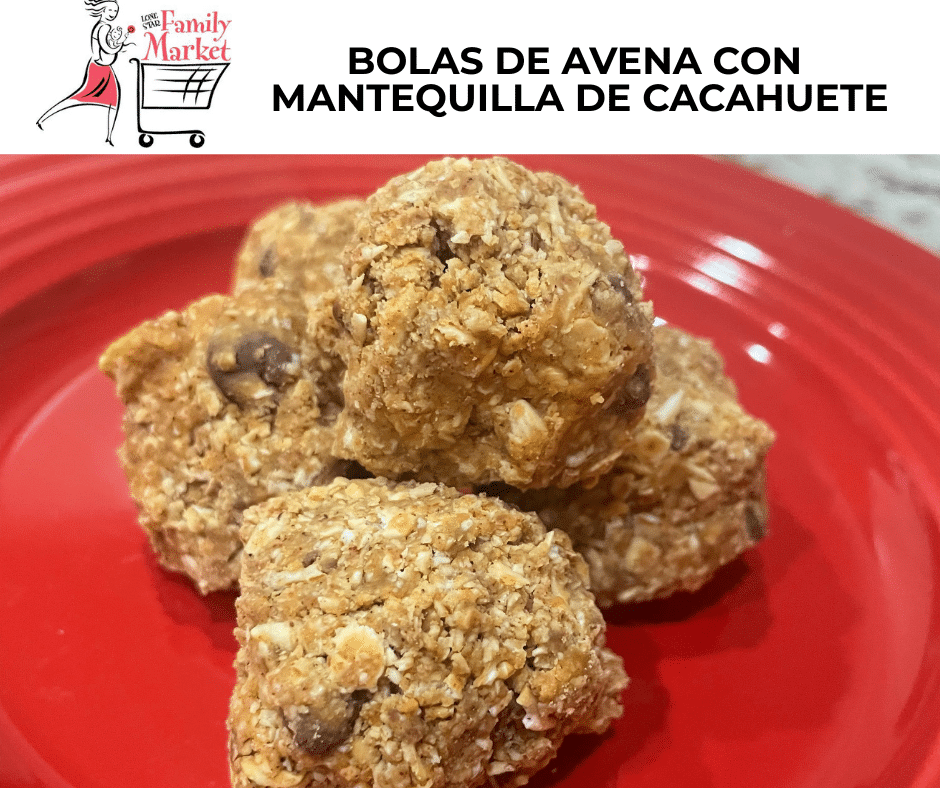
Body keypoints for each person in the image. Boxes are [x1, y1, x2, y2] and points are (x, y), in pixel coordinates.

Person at [36, 1, 132, 145]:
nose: (113, 14)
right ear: (102, 10)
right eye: (111, 10)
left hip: (105, 68)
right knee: (79, 96)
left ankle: (109, 137)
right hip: (98, 68)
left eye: (115, 11)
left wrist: (119, 41)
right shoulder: (103, 27)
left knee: (114, 99)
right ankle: (43, 119)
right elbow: (107, 49)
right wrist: (121, 44)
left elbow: (109, 45)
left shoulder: (105, 26)